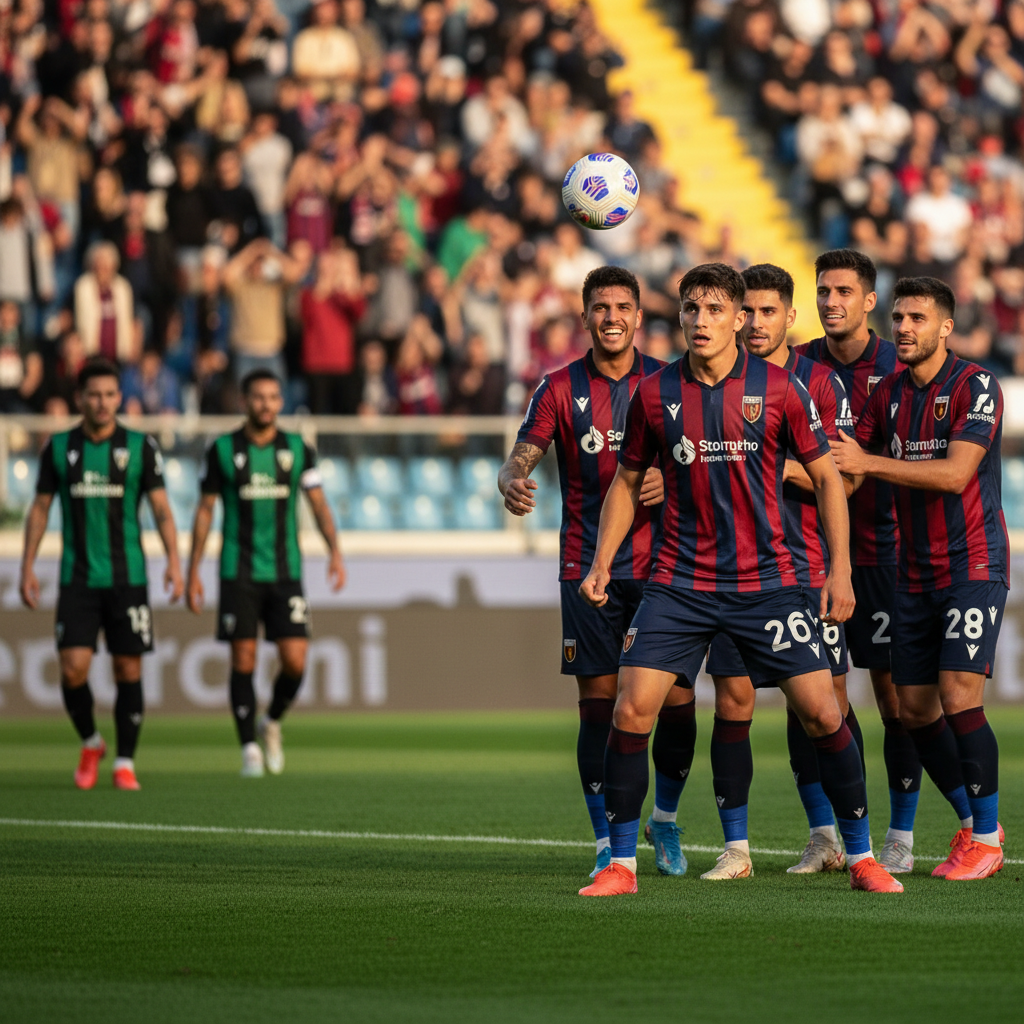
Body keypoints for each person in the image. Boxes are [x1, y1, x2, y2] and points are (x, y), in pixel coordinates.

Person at [578, 263, 902, 897]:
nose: (701, 321)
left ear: (736, 318)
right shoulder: (654, 393)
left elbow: (829, 478)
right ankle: (619, 865)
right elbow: (625, 481)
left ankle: (863, 857)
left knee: (823, 713)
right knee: (631, 709)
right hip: (678, 583)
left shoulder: (779, 389)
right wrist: (601, 561)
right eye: (691, 309)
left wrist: (839, 570)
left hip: (768, 584)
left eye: (715, 310)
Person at [498, 265, 696, 881]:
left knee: (678, 702)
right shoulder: (559, 388)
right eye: (601, 308)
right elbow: (523, 452)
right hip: (588, 568)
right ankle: (609, 840)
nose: (612, 318)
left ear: (638, 316)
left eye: (622, 307)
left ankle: (664, 819)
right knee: (598, 704)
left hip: (667, 565)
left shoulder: (670, 382)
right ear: (585, 317)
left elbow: (707, 460)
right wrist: (510, 476)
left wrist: (671, 477)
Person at [832, 276, 1008, 881]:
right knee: (913, 710)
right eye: (899, 318)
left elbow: (956, 475)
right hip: (912, 572)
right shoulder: (886, 394)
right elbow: (847, 469)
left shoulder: (976, 385)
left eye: (917, 319)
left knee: (958, 695)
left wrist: (868, 461)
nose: (904, 328)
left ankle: (985, 840)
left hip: (972, 564)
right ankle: (976, 824)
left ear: (945, 328)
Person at [701, 263, 857, 879]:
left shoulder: (816, 383)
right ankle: (744, 847)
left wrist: (765, 464)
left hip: (807, 566)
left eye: (770, 312)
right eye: (750, 312)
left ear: (791, 316)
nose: (757, 323)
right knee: (733, 698)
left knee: (823, 704)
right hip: (732, 572)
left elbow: (843, 478)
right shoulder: (712, 379)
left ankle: (845, 838)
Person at [794, 249, 925, 874]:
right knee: (815, 700)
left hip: (887, 554)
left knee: (896, 705)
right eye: (823, 291)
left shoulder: (897, 364)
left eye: (844, 291)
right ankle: (828, 836)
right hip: (811, 558)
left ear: (870, 301)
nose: (831, 302)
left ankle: (900, 836)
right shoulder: (797, 365)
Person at [18, 358, 183, 790]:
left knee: (128, 668)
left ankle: (125, 761)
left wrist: (175, 562)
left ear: (120, 397)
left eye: (110, 394)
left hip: (128, 578)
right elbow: (40, 508)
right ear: (80, 398)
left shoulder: (140, 447)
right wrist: (27, 565)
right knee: (73, 669)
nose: (103, 402)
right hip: (78, 579)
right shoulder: (58, 448)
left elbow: (162, 509)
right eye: (94, 395)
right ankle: (91, 742)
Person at [186, 369, 345, 777]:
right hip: (237, 571)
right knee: (244, 657)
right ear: (244, 402)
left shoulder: (298, 449)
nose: (266, 404)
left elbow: (318, 504)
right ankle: (248, 750)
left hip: (285, 571)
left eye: (273, 397)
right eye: (258, 397)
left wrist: (335, 552)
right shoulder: (223, 449)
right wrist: (192, 569)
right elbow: (205, 511)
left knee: (295, 660)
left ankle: (271, 720)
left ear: (281, 402)